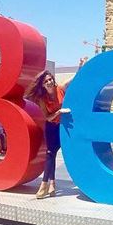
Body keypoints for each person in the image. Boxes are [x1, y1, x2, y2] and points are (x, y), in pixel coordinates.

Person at [24, 70, 73, 199]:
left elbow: (73, 78)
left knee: (53, 154)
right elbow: (47, 117)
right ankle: (45, 185)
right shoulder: (42, 99)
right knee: (50, 154)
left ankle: (51, 184)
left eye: (50, 79)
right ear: (43, 85)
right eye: (46, 81)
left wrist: (80, 65)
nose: (49, 82)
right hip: (51, 127)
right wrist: (59, 112)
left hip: (63, 128)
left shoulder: (60, 88)